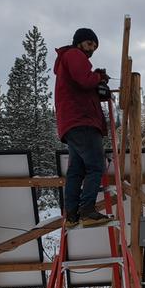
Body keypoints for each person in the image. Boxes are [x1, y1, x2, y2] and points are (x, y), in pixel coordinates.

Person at [53, 28, 112, 228]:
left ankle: (71, 216)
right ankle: (87, 210)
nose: (91, 50)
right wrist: (98, 78)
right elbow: (84, 80)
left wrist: (98, 84)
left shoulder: (67, 60)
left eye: (94, 47)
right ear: (79, 42)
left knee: (76, 171)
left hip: (71, 124)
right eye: (89, 44)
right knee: (96, 166)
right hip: (83, 121)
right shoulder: (74, 55)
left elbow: (83, 86)